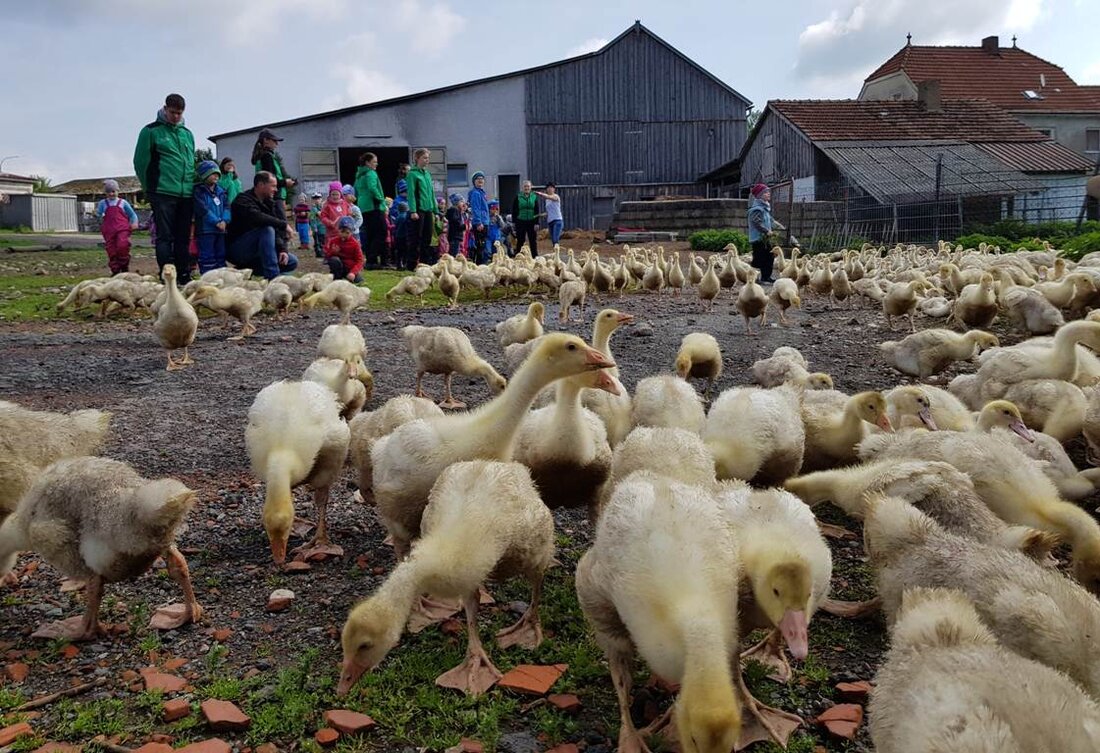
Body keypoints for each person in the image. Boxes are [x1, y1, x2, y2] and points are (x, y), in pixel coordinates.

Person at [133, 93, 196, 283]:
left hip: (186, 193)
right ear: (165, 109)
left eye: (179, 113)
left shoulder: (187, 134)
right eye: (172, 112)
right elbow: (140, 162)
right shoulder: (151, 131)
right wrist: (149, 189)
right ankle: (167, 276)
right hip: (162, 192)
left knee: (183, 237)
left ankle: (184, 274)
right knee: (164, 237)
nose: (176, 116)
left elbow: (190, 161)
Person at [226, 171, 298, 280]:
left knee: (292, 261)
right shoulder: (242, 200)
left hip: (259, 251)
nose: (276, 189)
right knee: (267, 229)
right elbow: (257, 217)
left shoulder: (269, 203)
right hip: (238, 249)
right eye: (273, 186)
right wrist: (284, 225)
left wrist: (282, 249)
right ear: (261, 185)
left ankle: (244, 270)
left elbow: (275, 231)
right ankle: (273, 277)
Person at [193, 160, 231, 273]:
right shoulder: (198, 191)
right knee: (207, 256)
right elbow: (202, 209)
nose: (216, 176)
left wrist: (225, 220)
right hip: (205, 230)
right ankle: (207, 278)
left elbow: (227, 207)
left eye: (217, 174)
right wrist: (216, 222)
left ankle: (221, 277)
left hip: (220, 230)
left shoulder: (221, 192)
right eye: (212, 173)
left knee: (221, 255)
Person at [250, 129, 295, 223]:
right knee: (281, 227)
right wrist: (286, 182)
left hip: (270, 196)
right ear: (266, 140)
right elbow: (270, 182)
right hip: (274, 197)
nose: (277, 144)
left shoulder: (262, 156)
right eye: (274, 141)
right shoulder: (267, 156)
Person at [96, 179, 139, 275]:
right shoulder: (103, 203)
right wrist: (97, 214)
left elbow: (132, 215)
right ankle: (115, 270)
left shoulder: (123, 202)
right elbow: (98, 214)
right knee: (111, 250)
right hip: (109, 230)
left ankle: (124, 267)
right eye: (108, 192)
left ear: (117, 191)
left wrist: (134, 222)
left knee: (122, 246)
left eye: (113, 191)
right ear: (105, 193)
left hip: (122, 229)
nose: (111, 194)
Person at [354, 152, 387, 269]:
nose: (376, 164)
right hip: (374, 206)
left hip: (363, 207)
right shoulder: (371, 173)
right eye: (374, 162)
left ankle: (370, 260)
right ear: (368, 163)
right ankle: (374, 260)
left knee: (369, 234)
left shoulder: (359, 175)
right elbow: (373, 188)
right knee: (381, 233)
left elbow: (355, 190)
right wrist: (381, 200)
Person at [406, 148, 437, 267]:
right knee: (416, 237)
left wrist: (436, 210)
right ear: (417, 159)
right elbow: (411, 194)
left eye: (428, 158)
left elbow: (432, 193)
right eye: (424, 158)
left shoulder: (427, 174)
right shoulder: (412, 174)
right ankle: (412, 263)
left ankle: (424, 263)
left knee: (427, 237)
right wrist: (413, 210)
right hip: (418, 209)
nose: (427, 160)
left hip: (428, 209)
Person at [747, 183, 784, 284]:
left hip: (766, 238)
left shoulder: (765, 209)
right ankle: (754, 277)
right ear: (759, 195)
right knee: (759, 258)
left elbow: (771, 221)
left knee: (769, 257)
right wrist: (766, 231)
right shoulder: (756, 210)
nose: (768, 194)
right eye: (766, 192)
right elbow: (756, 223)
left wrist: (780, 227)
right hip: (758, 239)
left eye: (768, 192)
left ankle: (766, 277)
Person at [325, 216, 366, 283]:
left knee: (359, 281)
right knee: (334, 260)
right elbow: (327, 256)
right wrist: (333, 252)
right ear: (338, 230)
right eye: (342, 232)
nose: (344, 235)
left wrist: (353, 272)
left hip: (350, 268)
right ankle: (337, 278)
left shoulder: (355, 244)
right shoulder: (333, 241)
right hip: (338, 266)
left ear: (351, 232)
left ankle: (348, 276)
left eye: (347, 233)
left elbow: (360, 260)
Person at [467, 170, 490, 264]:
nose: (480, 180)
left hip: (485, 221)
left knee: (482, 245)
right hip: (480, 223)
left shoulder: (482, 192)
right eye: (478, 179)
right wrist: (478, 222)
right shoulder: (476, 193)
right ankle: (480, 265)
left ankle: (481, 264)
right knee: (480, 246)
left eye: (482, 178)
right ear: (474, 181)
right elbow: (476, 209)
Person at [536, 181, 563, 247]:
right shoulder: (547, 200)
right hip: (550, 222)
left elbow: (550, 197)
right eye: (548, 188)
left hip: (557, 220)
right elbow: (548, 212)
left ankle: (557, 253)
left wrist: (540, 194)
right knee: (552, 239)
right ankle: (555, 252)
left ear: (554, 189)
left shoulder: (556, 196)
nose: (549, 189)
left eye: (551, 187)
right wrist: (540, 215)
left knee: (555, 239)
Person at [445, 194, 465, 259]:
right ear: (457, 202)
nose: (463, 204)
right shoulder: (454, 210)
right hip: (454, 236)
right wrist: (464, 226)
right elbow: (456, 222)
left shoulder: (457, 210)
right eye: (461, 202)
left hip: (456, 236)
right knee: (454, 253)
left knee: (455, 252)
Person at [308, 192, 326, 257]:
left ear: (321, 199)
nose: (317, 200)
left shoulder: (323, 207)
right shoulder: (313, 208)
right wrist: (313, 228)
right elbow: (312, 218)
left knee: (323, 240)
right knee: (317, 241)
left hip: (323, 228)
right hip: (316, 228)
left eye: (318, 198)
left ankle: (323, 252)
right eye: (315, 199)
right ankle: (319, 253)